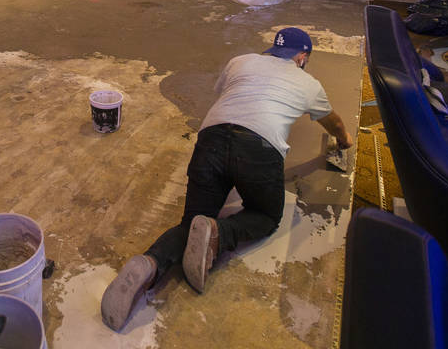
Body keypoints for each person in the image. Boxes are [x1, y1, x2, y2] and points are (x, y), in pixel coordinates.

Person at [100, 27, 352, 331]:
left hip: (211, 140)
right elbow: (333, 121)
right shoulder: (308, 83)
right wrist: (344, 139)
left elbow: (229, 95)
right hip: (258, 149)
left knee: (191, 223)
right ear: (302, 57)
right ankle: (219, 232)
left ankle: (149, 263)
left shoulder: (241, 61)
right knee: (267, 215)